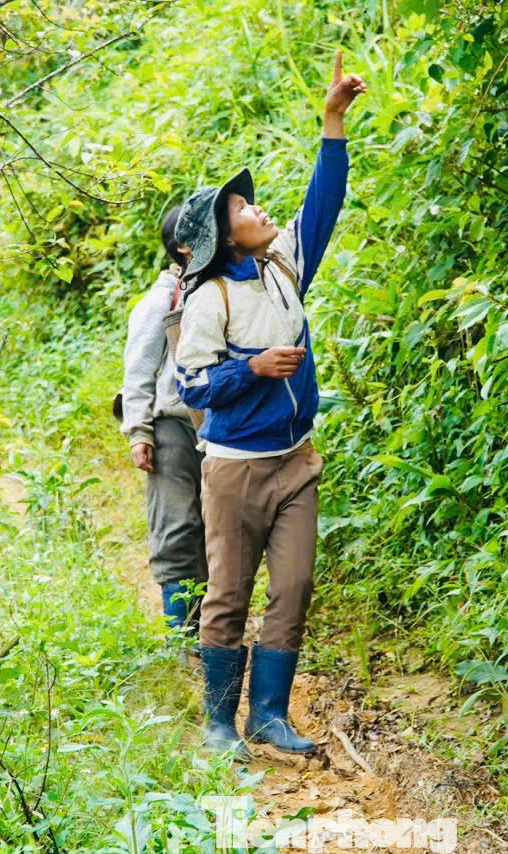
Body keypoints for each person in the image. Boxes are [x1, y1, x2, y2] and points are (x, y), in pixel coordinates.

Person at [172, 51, 366, 758]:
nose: (257, 210)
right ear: (223, 241)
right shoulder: (210, 301)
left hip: (296, 461)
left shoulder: (284, 267)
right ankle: (221, 722)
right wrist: (251, 368)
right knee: (228, 594)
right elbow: (191, 388)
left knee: (294, 587)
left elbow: (325, 204)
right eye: (242, 211)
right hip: (233, 470)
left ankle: (270, 715)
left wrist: (332, 122)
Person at [120, 207, 206, 637]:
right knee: (179, 525)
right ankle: (180, 633)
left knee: (214, 527)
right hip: (171, 424)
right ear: (183, 247)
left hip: (217, 428)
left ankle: (207, 628)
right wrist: (139, 431)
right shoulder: (161, 300)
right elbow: (138, 369)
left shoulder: (217, 288)